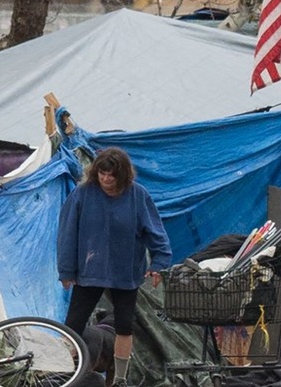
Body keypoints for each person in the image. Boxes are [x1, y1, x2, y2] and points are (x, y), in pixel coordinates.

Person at [57, 147, 172, 387]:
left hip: (125, 271)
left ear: (123, 175)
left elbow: (156, 232)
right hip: (90, 270)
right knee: (73, 324)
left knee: (124, 326)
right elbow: (67, 233)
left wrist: (159, 263)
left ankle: (119, 379)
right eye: (102, 174)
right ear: (96, 172)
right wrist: (66, 270)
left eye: (112, 175)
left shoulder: (138, 196)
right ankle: (61, 373)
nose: (106, 179)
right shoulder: (82, 194)